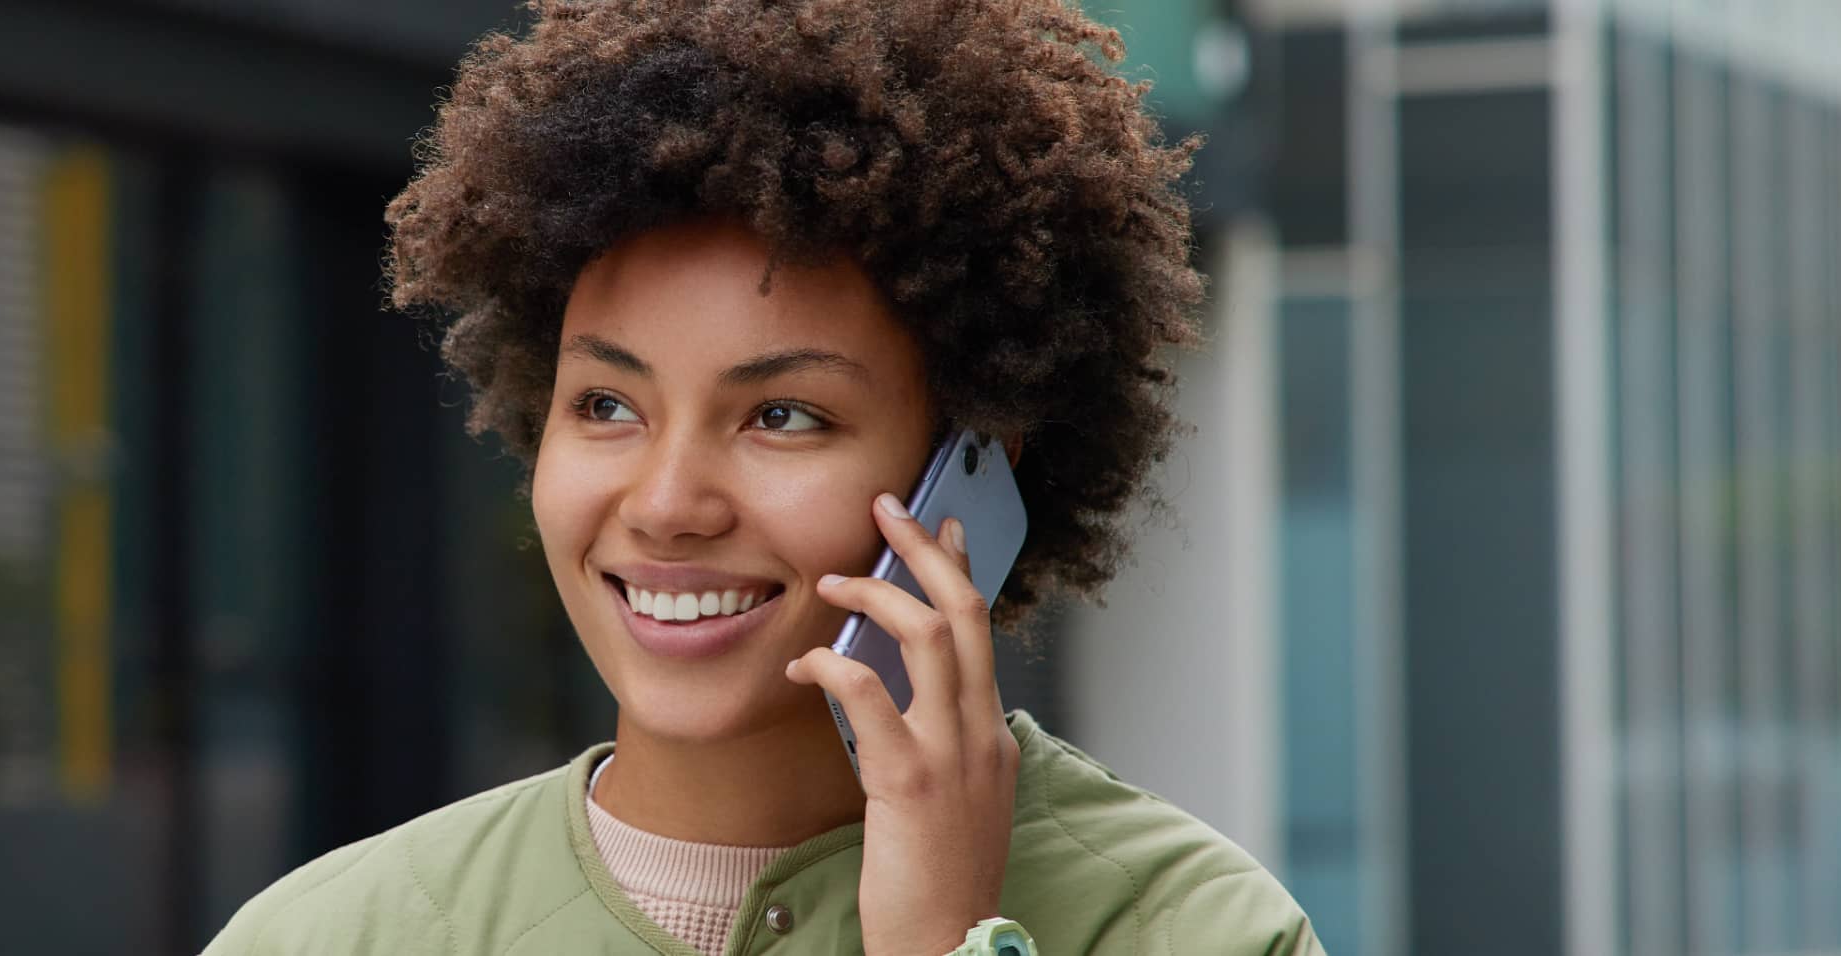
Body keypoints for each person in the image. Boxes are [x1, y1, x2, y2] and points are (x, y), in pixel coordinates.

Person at [201, 0, 1317, 952]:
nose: (667, 504)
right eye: (607, 405)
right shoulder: (332, 935)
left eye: (782, 415)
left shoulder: (1191, 927)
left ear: (976, 467)